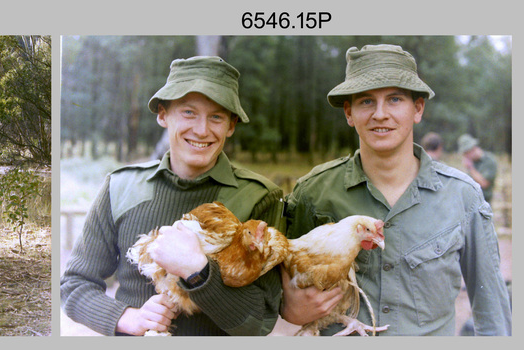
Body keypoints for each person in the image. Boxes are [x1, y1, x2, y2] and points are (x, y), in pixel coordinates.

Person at [281, 44, 511, 335]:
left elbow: (493, 313)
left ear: (417, 109)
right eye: (366, 101)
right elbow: (272, 285)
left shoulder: (462, 197)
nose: (380, 114)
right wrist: (289, 307)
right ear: (349, 113)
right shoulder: (313, 194)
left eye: (394, 99)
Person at [60, 56, 284, 336]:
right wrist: (127, 317)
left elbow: (261, 321)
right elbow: (74, 285)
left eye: (216, 116)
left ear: (231, 125)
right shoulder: (120, 187)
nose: (202, 130)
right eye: (189, 112)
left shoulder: (260, 198)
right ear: (163, 115)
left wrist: (198, 271)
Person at [457, 134, 498, 204]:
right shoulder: (471, 162)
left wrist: (470, 168)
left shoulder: (489, 161)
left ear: (473, 149)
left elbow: (484, 183)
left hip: (484, 202)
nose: (465, 157)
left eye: (466, 153)